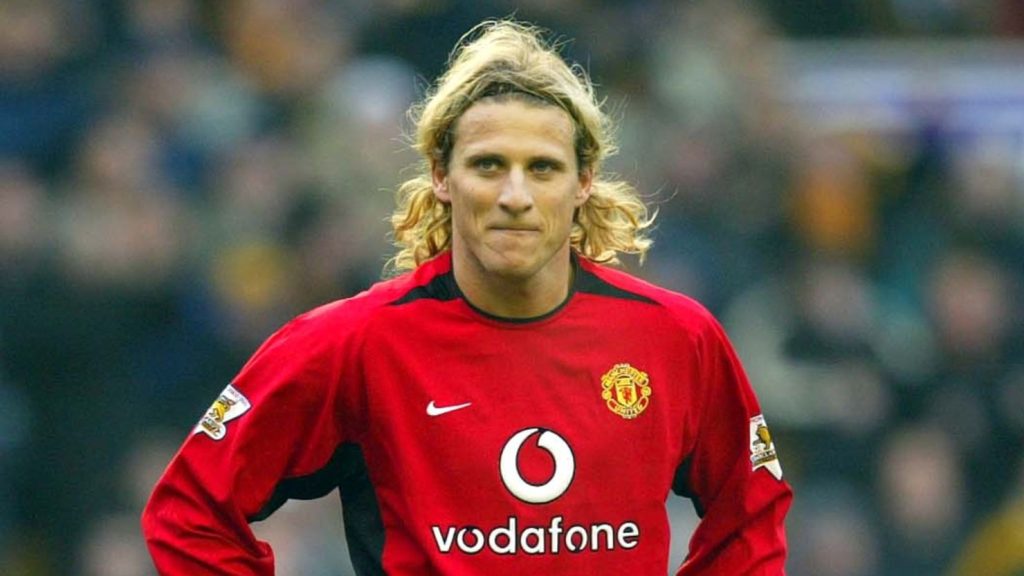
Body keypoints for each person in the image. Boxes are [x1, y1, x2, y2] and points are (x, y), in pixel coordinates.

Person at [142, 19, 792, 575]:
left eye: (543, 168)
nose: (515, 195)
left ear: (584, 182)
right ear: (440, 176)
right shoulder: (354, 344)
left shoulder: (674, 338)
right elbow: (190, 513)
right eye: (488, 165)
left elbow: (752, 513)